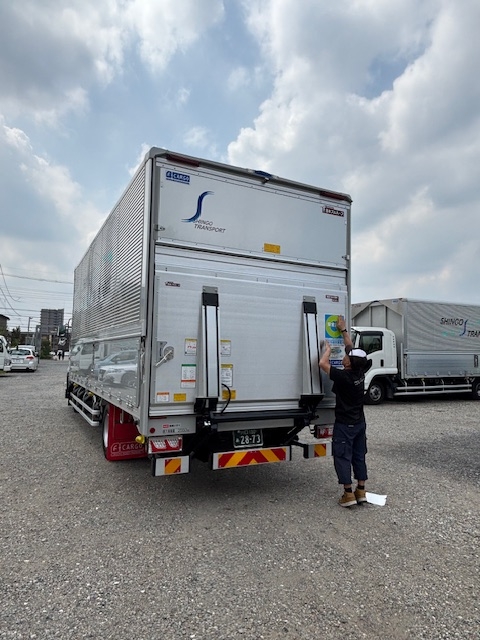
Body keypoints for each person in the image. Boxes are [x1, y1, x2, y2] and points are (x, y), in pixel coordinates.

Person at [319, 316, 372, 507]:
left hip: (345, 424)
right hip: (359, 423)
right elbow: (350, 346)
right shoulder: (359, 371)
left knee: (342, 456)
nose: (345, 355)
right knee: (359, 455)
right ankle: (361, 490)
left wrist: (327, 350)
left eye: (346, 356)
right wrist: (343, 330)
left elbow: (323, 364)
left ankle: (348, 494)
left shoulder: (344, 377)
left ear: (348, 363)